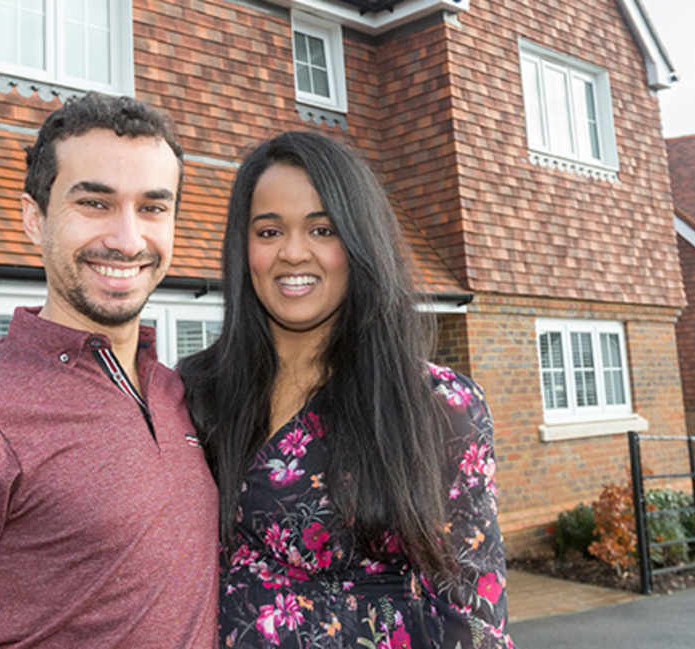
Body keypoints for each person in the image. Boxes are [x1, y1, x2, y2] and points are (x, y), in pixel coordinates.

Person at [0, 94, 217, 649]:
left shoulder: (180, 393)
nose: (127, 239)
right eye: (95, 203)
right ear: (35, 218)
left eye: (153, 207)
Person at [179, 131, 513, 649]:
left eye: (322, 229)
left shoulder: (439, 404)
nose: (293, 253)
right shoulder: (193, 393)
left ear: (359, 242)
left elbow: (474, 612)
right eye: (268, 232)